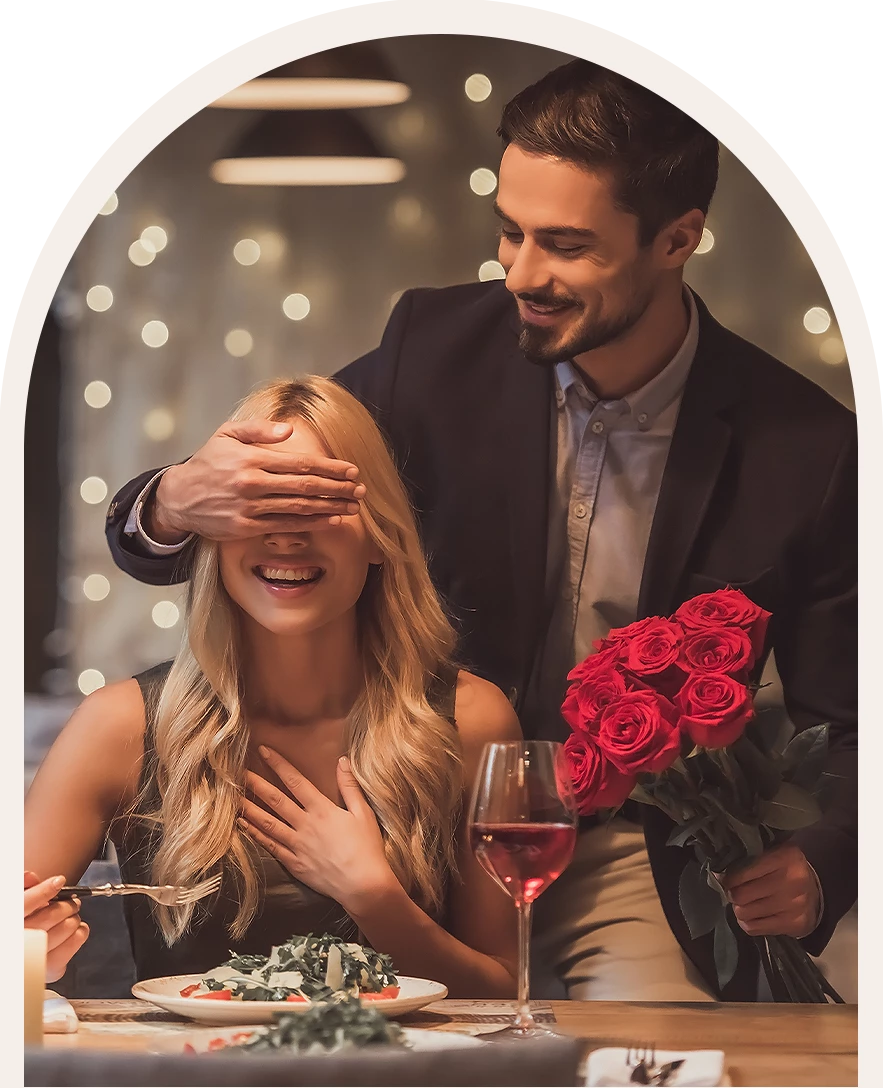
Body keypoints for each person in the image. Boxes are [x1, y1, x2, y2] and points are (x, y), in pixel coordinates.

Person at [105, 60, 856, 1002]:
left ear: (678, 239)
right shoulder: (429, 350)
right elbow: (262, 506)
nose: (521, 273)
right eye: (510, 230)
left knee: (633, 1067)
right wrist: (171, 501)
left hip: (635, 860)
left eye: (567, 245)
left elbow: (852, 718)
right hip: (417, 828)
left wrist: (826, 859)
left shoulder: (809, 446)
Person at [27, 377, 521, 995]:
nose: (286, 535)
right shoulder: (119, 725)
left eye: (315, 505)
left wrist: (374, 898)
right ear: (209, 530)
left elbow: (503, 995)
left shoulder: (472, 719)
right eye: (258, 505)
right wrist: (27, 959)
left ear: (379, 536)